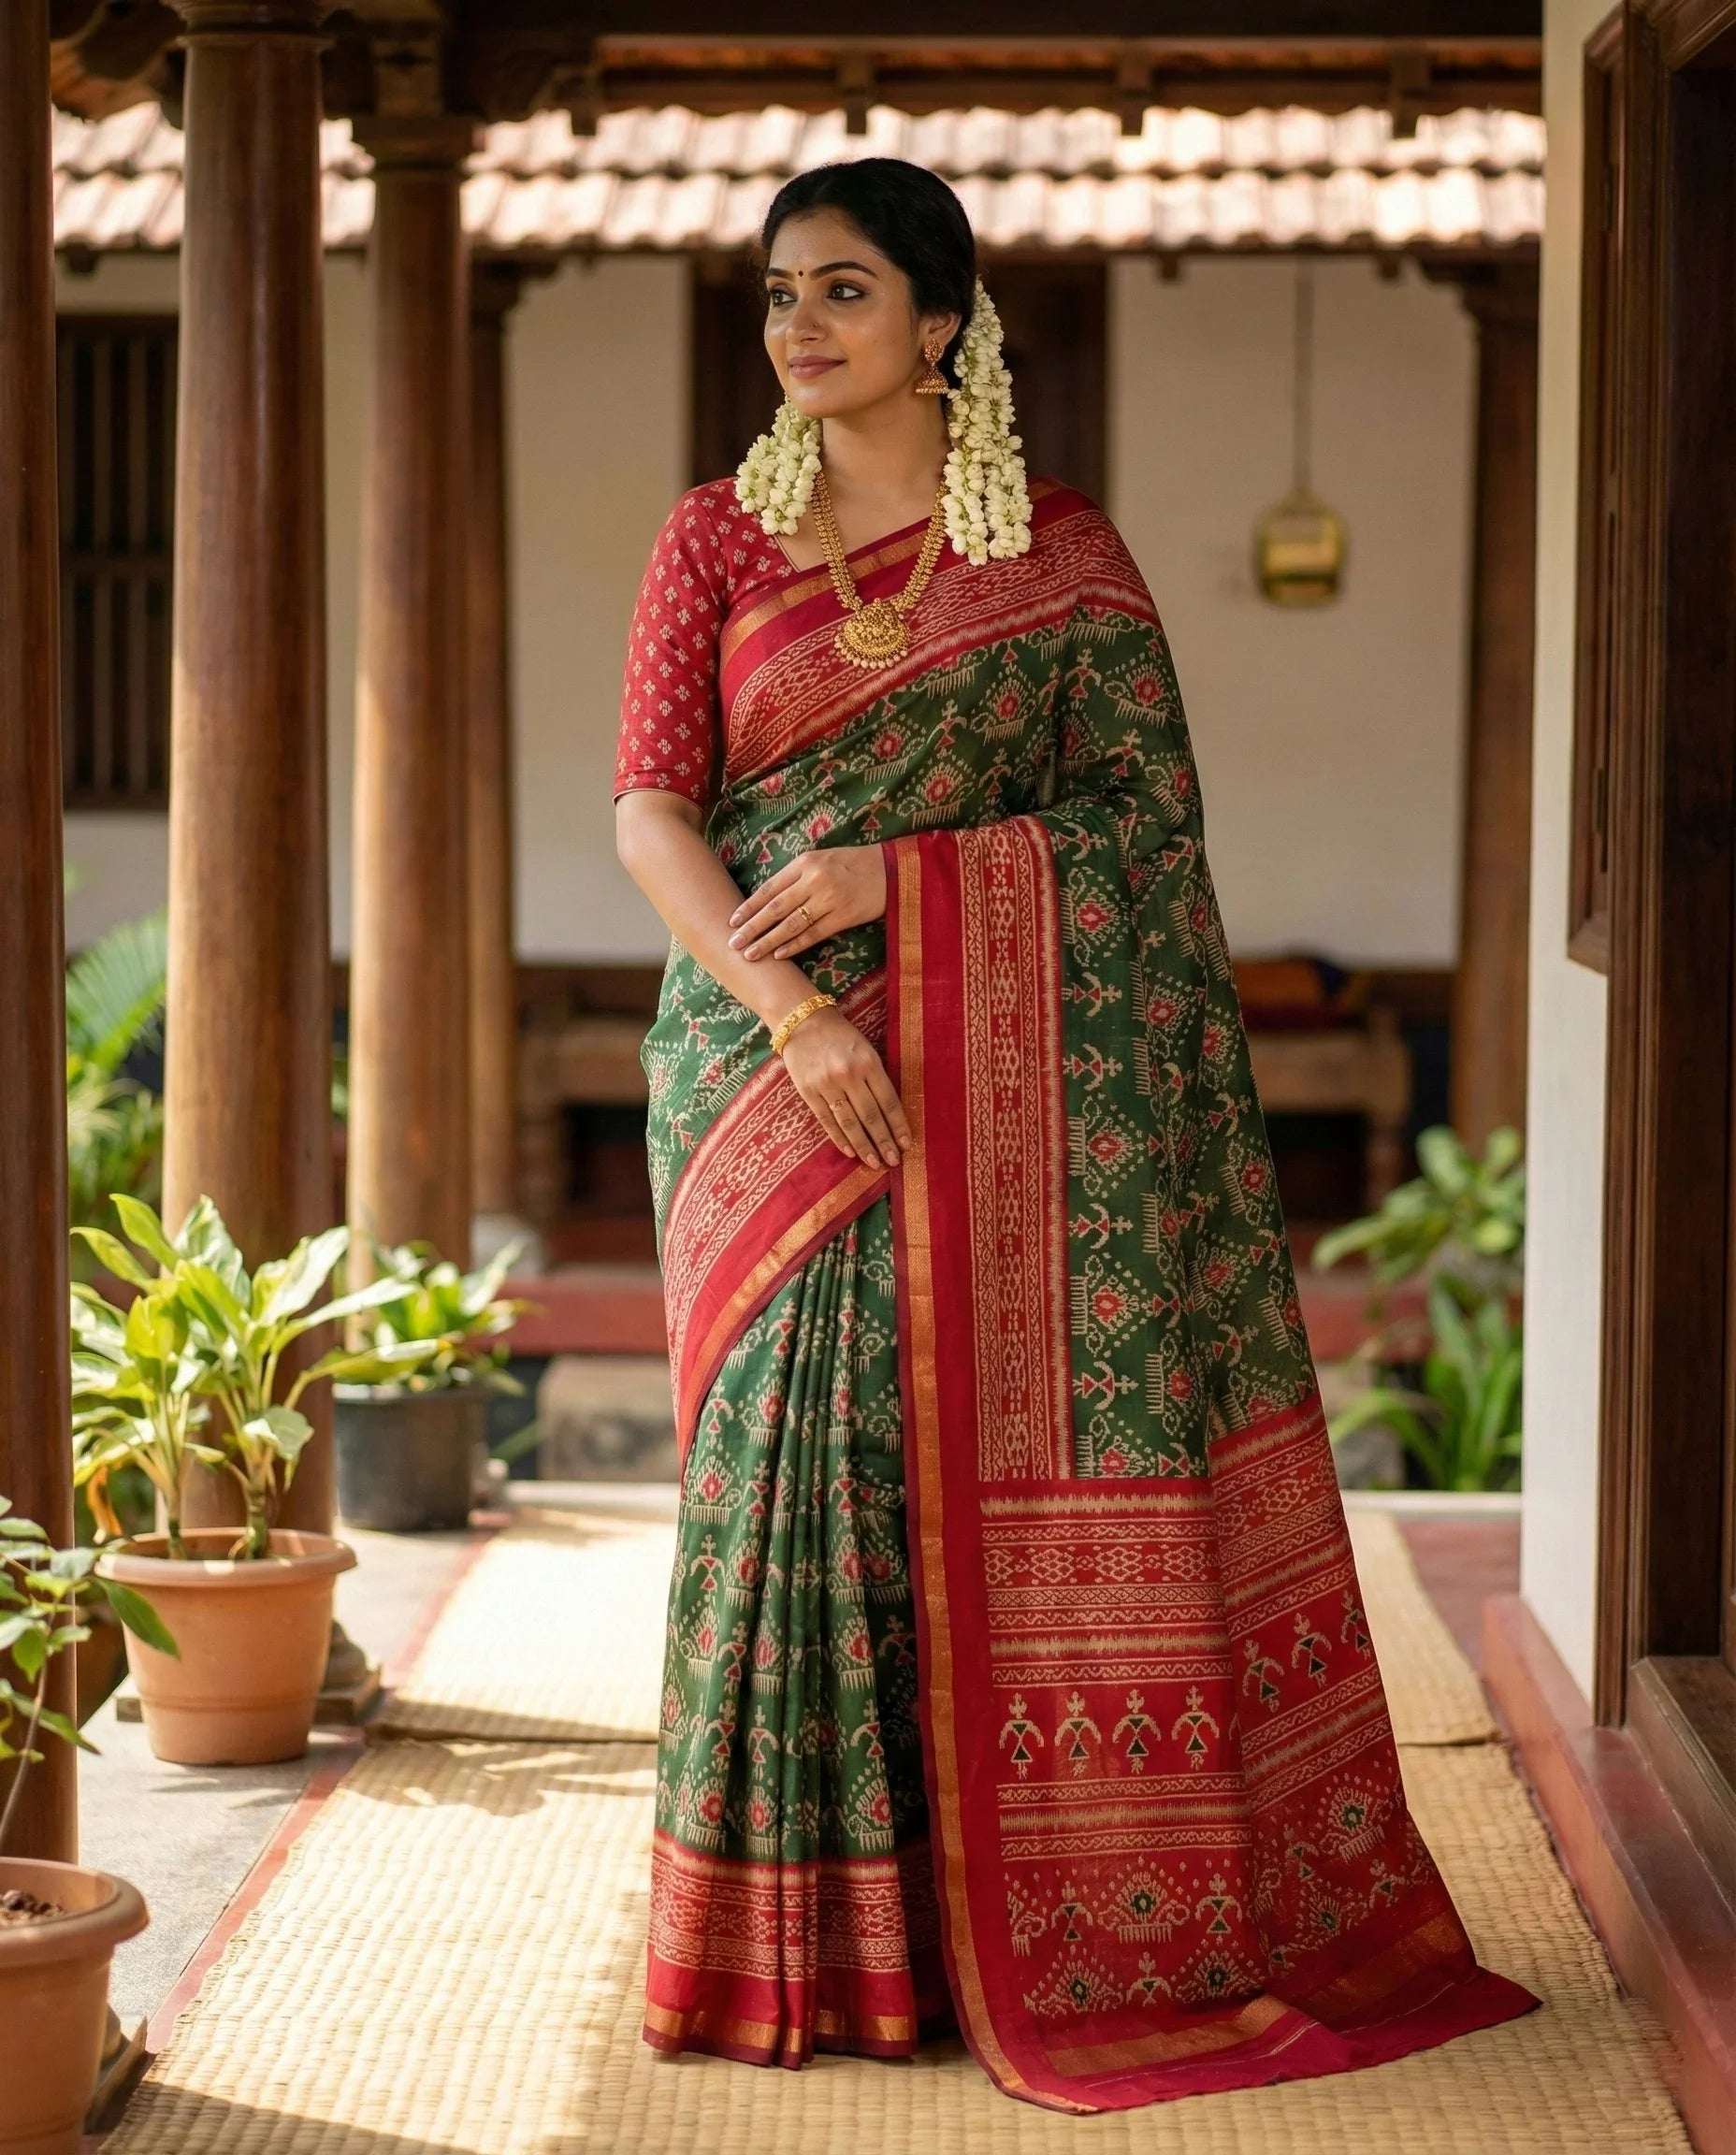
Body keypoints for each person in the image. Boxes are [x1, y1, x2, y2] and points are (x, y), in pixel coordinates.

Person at [611, 154, 1541, 2117]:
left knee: (917, 1463)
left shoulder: (1058, 555)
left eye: (843, 291)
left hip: (988, 1081)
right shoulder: (714, 537)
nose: (798, 326)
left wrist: (905, 880)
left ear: (942, 325)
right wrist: (793, 1010)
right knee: (785, 1463)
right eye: (778, 292)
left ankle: (995, 1935)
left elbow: (1144, 833)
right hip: (761, 1066)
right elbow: (648, 811)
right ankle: (804, 1951)